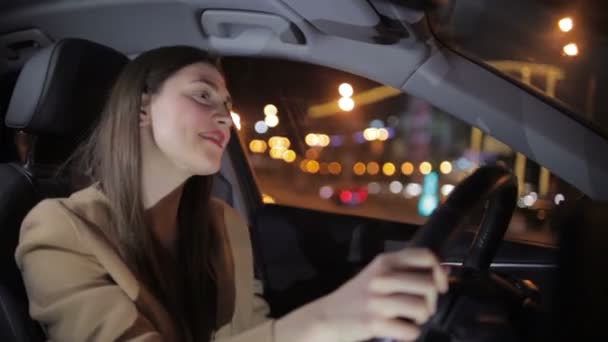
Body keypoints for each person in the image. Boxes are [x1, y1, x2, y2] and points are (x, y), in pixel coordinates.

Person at [15, 46, 448, 342]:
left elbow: (245, 334)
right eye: (203, 95)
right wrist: (324, 320)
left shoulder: (222, 221)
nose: (225, 118)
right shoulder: (59, 229)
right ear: (142, 108)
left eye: (227, 104)